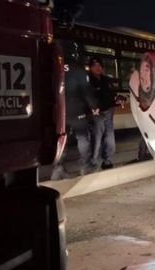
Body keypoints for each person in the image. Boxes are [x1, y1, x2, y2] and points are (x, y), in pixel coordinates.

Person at [51, 41, 99, 180]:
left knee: (61, 140)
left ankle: (57, 169)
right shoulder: (78, 69)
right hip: (76, 110)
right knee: (82, 138)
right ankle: (85, 166)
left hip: (58, 112)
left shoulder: (54, 66)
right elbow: (86, 91)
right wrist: (94, 107)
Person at [88, 57, 120, 170]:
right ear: (90, 67)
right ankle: (93, 161)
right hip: (96, 113)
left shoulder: (106, 80)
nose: (98, 68)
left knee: (109, 137)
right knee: (96, 137)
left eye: (99, 66)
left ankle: (107, 161)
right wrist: (92, 108)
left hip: (109, 111)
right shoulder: (88, 80)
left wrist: (117, 100)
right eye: (95, 66)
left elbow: (112, 94)